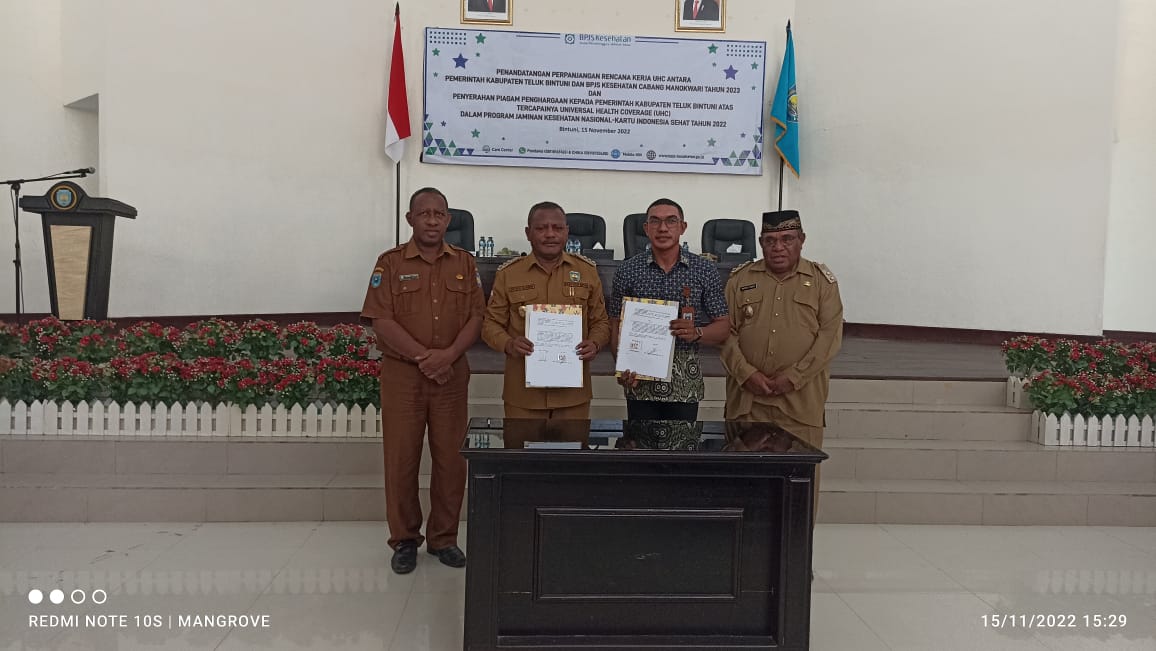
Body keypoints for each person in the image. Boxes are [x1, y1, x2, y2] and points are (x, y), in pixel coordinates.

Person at [360, 187, 484, 575]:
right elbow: (381, 320)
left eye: (439, 214)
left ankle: (444, 538)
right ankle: (404, 539)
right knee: (402, 459)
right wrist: (424, 358)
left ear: (448, 220)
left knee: (451, 460)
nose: (432, 220)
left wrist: (447, 356)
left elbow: (477, 317)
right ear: (410, 219)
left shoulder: (465, 263)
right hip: (403, 376)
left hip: (451, 374)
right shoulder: (390, 263)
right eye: (424, 213)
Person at [721, 209, 843, 516]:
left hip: (799, 406)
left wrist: (795, 376)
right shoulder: (739, 280)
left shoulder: (822, 283)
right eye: (770, 240)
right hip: (748, 404)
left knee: (797, 495)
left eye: (787, 239)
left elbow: (829, 338)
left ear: (801, 240)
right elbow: (724, 334)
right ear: (761, 242)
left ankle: (796, 549)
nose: (778, 247)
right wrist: (745, 373)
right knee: (743, 491)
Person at [482, 201, 610, 420]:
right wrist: (509, 344)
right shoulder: (509, 274)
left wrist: (595, 343)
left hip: (573, 396)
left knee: (573, 444)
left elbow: (601, 322)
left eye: (557, 228)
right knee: (521, 444)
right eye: (541, 228)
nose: (550, 234)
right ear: (528, 233)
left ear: (567, 232)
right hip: (523, 396)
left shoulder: (587, 271)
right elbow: (490, 325)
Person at [608, 198, 729, 421]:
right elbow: (615, 324)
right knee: (640, 442)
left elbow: (723, 326)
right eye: (655, 221)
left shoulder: (704, 270)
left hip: (684, 384)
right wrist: (621, 366)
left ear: (683, 227)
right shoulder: (627, 270)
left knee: (683, 443)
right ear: (646, 228)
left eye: (671, 221)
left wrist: (697, 332)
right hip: (640, 381)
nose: (663, 228)